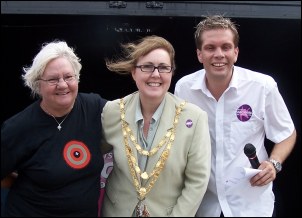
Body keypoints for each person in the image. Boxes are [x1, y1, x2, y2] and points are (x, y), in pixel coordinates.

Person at [174, 15, 297, 217]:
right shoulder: (184, 88)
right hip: (204, 205)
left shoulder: (262, 86)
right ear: (199, 54)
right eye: (210, 48)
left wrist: (274, 163)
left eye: (226, 47)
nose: (219, 54)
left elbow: (287, 133)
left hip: (251, 205)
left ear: (236, 52)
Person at [101, 35, 211, 217]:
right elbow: (91, 159)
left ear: (171, 73)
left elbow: (197, 181)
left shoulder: (194, 118)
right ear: (134, 72)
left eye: (163, 68)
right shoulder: (112, 111)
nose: (155, 74)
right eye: (147, 66)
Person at [1, 40, 108, 216]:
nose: (63, 85)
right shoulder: (19, 127)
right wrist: (22, 183)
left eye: (68, 77)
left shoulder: (95, 108)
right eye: (53, 79)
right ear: (38, 84)